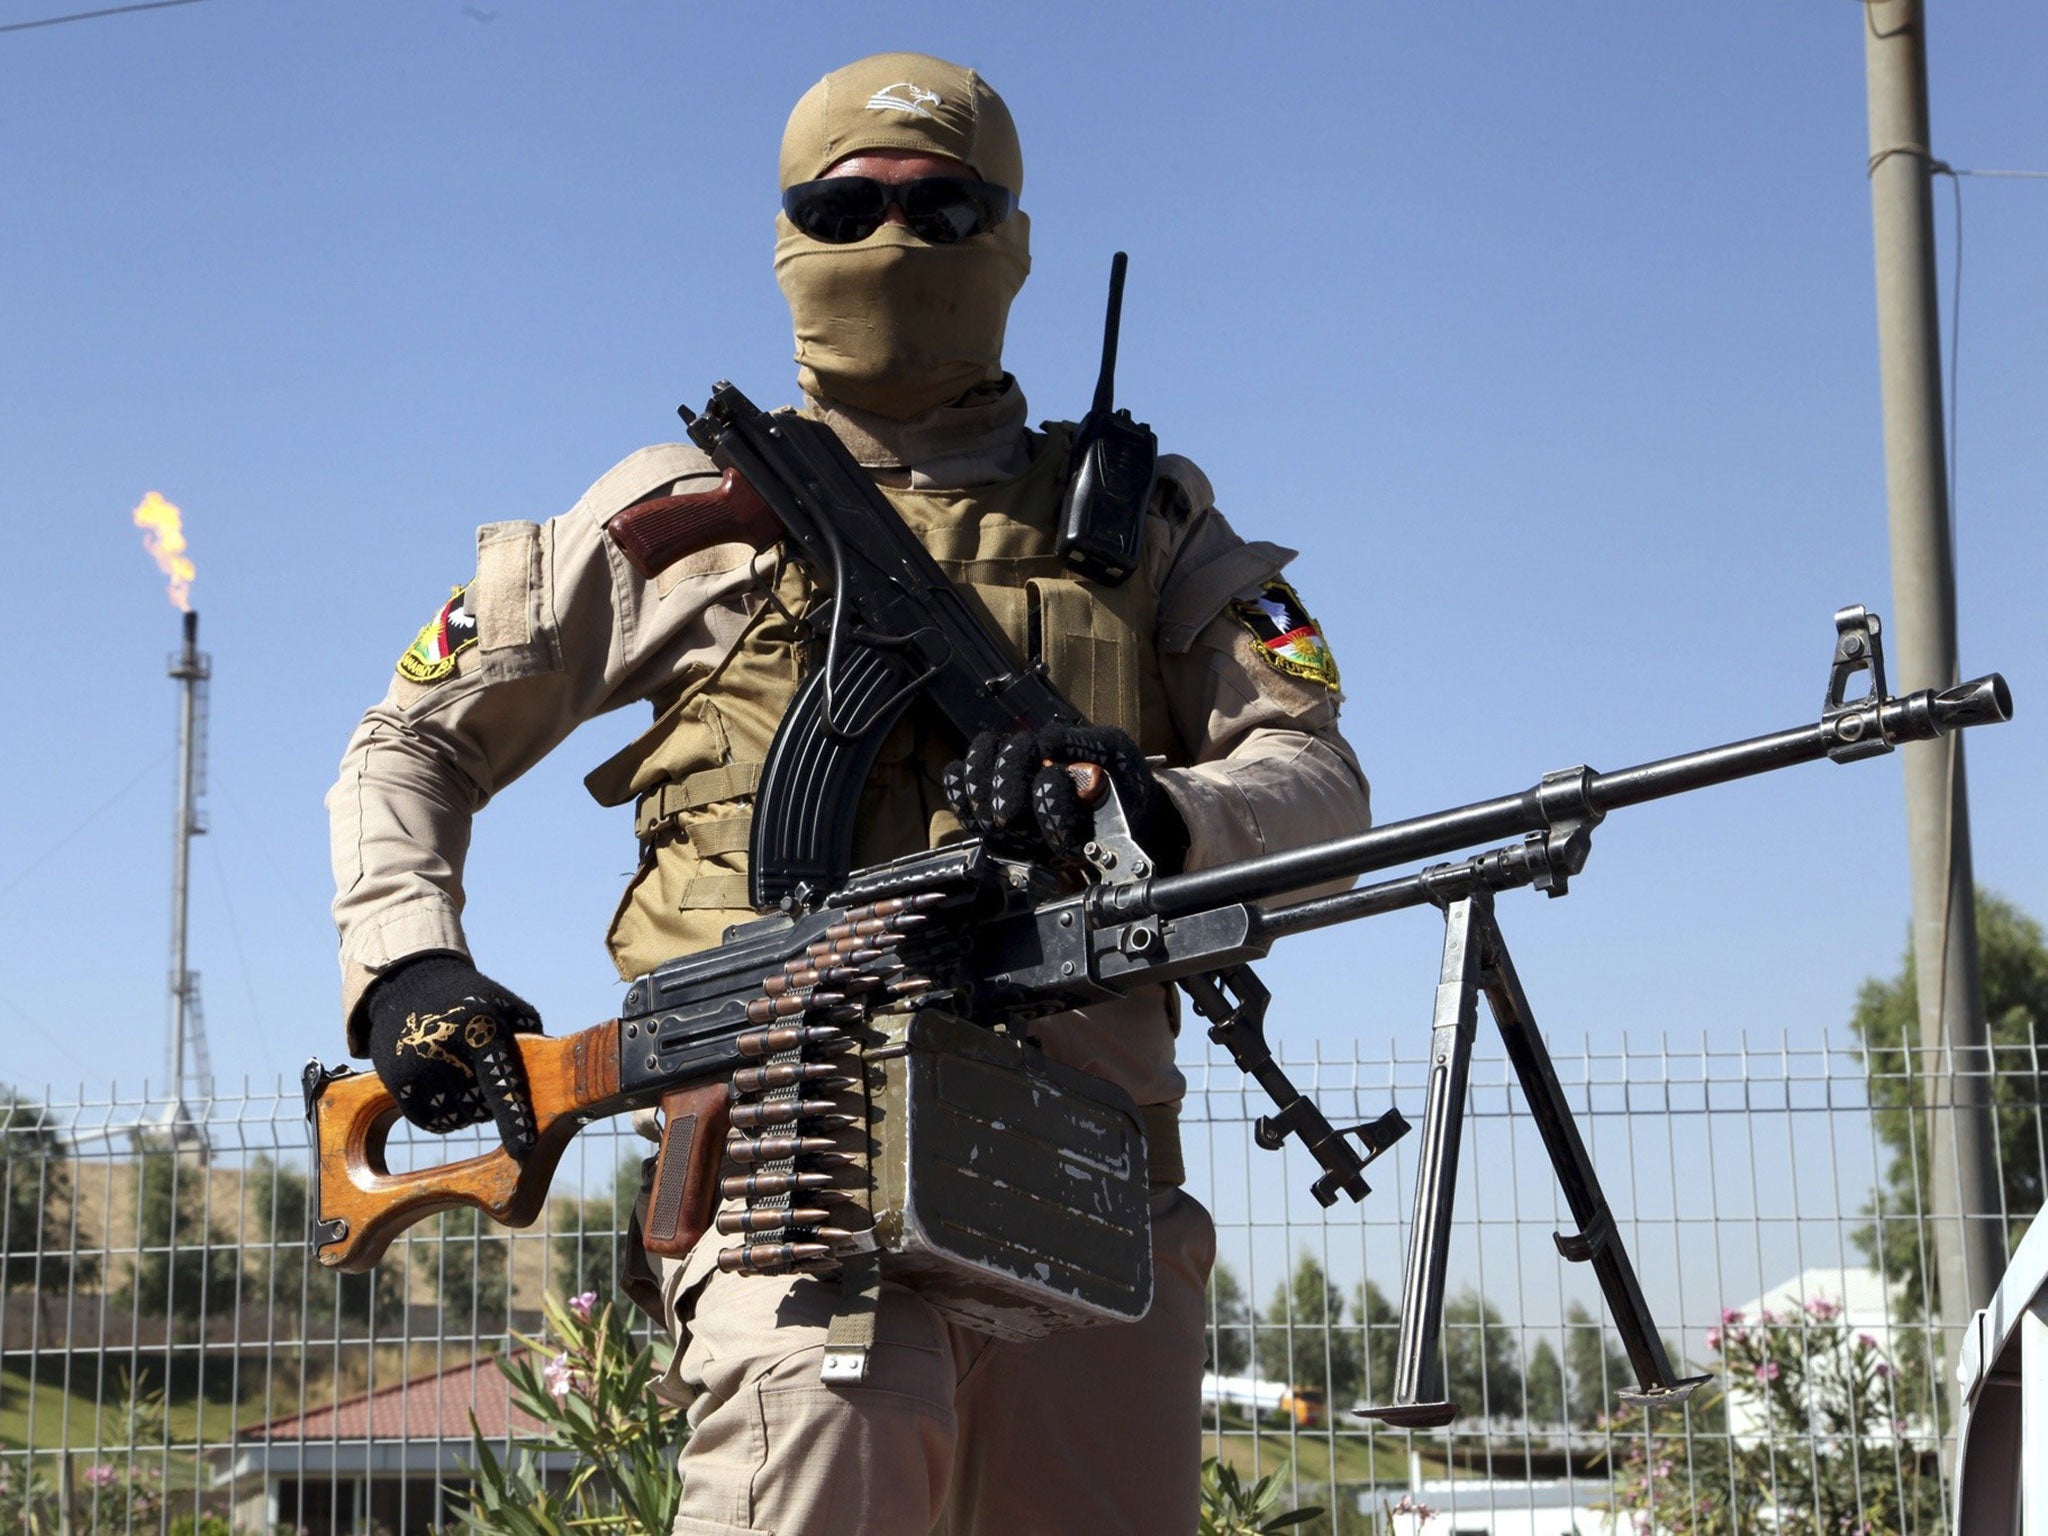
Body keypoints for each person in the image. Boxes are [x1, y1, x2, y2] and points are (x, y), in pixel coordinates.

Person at [327, 51, 1370, 1535]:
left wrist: (1149, 809)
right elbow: (409, 745)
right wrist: (408, 967)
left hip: (1091, 1187)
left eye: (945, 209)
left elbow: (1320, 784)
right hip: (792, 1177)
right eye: (847, 205)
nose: (897, 242)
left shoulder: (1147, 525)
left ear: (1012, 242)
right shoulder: (681, 515)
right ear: (786, 240)